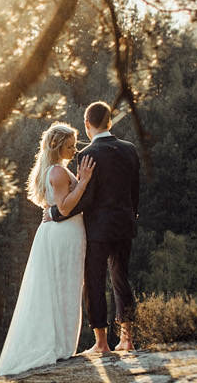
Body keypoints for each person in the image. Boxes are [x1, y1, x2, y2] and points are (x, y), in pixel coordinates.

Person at [0, 122, 94, 376]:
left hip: (59, 234)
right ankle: (58, 346)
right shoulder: (58, 172)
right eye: (70, 146)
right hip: (63, 235)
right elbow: (66, 208)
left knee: (61, 287)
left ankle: (61, 344)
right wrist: (83, 183)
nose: (74, 150)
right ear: (56, 146)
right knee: (64, 286)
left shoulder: (52, 170)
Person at [45, 99, 141, 355]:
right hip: (125, 226)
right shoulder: (130, 149)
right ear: (109, 122)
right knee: (121, 279)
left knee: (95, 282)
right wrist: (132, 216)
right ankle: (127, 339)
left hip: (98, 229)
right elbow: (135, 192)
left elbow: (85, 198)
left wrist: (55, 213)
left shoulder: (89, 154)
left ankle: (101, 343)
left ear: (87, 124)